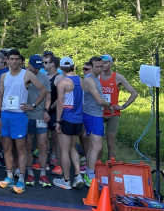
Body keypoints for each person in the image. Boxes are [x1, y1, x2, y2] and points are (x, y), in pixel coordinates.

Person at [0, 49, 47, 194]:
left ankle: (21, 180)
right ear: (7, 60)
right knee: (6, 147)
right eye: (11, 59)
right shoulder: (4, 76)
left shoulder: (27, 74)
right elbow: (0, 96)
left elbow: (43, 90)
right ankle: (9, 176)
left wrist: (33, 105)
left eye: (16, 59)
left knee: (20, 148)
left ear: (20, 61)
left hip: (19, 116)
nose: (14, 61)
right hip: (6, 115)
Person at [52, 57, 85, 189]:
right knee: (72, 147)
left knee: (64, 150)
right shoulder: (81, 80)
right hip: (78, 119)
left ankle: (66, 180)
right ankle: (78, 175)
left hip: (67, 118)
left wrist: (58, 121)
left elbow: (61, 102)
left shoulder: (62, 81)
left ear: (60, 67)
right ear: (73, 66)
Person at [99, 54, 138, 161]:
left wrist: (123, 106)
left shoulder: (118, 77)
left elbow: (134, 93)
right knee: (97, 143)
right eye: (101, 63)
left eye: (106, 63)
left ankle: (111, 167)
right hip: (98, 113)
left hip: (113, 114)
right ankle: (96, 166)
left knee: (110, 143)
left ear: (111, 64)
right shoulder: (96, 76)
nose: (103, 65)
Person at [82, 56, 111, 186]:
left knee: (93, 146)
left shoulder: (95, 78)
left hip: (95, 114)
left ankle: (89, 173)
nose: (100, 69)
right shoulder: (89, 80)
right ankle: (91, 176)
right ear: (91, 67)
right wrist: (109, 105)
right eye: (97, 67)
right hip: (93, 116)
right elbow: (99, 100)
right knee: (97, 146)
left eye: (101, 66)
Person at [24, 54, 52, 187]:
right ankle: (29, 173)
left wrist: (46, 110)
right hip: (26, 116)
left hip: (40, 115)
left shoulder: (44, 76)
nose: (36, 70)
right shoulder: (22, 75)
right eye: (34, 67)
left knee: (43, 145)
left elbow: (48, 95)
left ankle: (42, 174)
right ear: (28, 64)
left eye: (39, 67)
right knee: (27, 145)